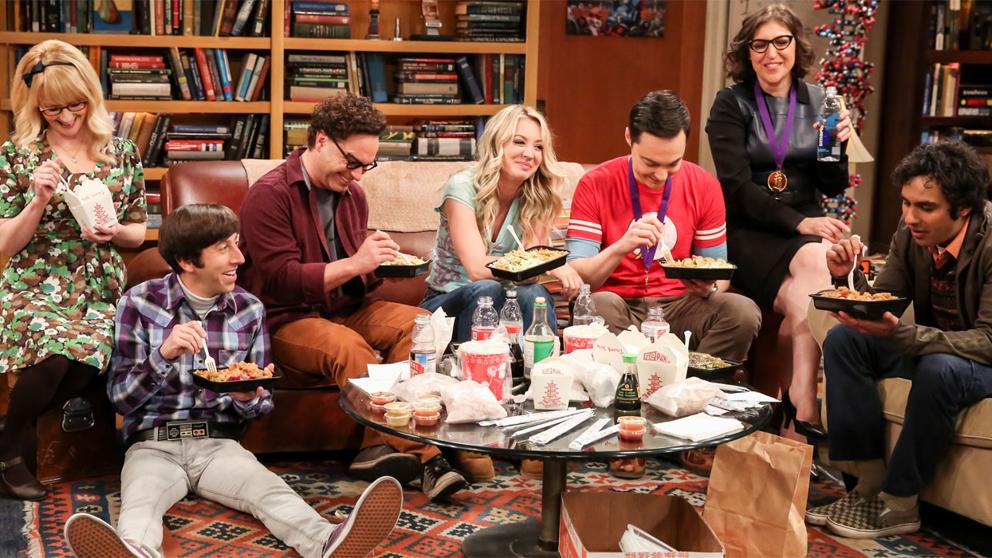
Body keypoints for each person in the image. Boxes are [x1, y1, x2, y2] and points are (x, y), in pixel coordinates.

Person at [61, 204, 403, 558]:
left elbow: (262, 402)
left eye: (236, 244)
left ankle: (327, 542)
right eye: (224, 248)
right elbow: (120, 398)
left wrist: (247, 397)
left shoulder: (249, 309)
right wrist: (162, 355)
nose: (239, 257)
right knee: (140, 506)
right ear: (187, 261)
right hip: (152, 444)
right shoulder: (139, 302)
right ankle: (134, 551)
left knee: (270, 491)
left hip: (219, 444)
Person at [237, 93, 483, 499]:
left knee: (422, 325)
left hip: (344, 307)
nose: (358, 175)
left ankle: (375, 446)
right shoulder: (270, 194)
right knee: (349, 347)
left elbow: (354, 275)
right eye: (351, 162)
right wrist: (356, 263)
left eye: (367, 165)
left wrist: (375, 264)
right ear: (320, 140)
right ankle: (427, 456)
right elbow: (281, 280)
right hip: (285, 317)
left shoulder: (354, 196)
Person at [566, 90, 761, 478]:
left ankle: (693, 426)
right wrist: (622, 245)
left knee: (741, 311)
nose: (660, 175)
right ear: (629, 138)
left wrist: (709, 288)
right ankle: (626, 432)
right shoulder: (596, 183)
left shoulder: (703, 184)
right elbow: (582, 275)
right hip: (620, 304)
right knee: (599, 305)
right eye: (649, 164)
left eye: (672, 165)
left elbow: (718, 274)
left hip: (679, 305)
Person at [810, 141, 992, 538]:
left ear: (964, 209)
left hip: (981, 363)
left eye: (925, 207)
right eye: (906, 203)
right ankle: (866, 485)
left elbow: (988, 341)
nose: (910, 217)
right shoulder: (912, 232)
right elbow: (883, 301)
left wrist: (906, 336)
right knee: (845, 340)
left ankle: (900, 501)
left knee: (940, 369)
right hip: (932, 350)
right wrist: (847, 277)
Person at [0, 40, 147, 501]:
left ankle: (13, 436)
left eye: (75, 105)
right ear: (35, 106)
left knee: (90, 358)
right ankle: (8, 455)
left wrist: (114, 231)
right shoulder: (18, 154)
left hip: (99, 281)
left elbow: (138, 232)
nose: (66, 118)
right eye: (53, 109)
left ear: (91, 96)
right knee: (57, 351)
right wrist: (37, 201)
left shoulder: (121, 151)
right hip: (35, 279)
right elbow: (5, 244)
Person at [705, 4, 853, 439]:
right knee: (816, 266)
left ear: (796, 45)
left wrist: (837, 146)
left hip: (806, 224)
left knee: (802, 300)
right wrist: (799, 224)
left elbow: (832, 184)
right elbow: (735, 187)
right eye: (760, 44)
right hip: (750, 229)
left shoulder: (822, 101)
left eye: (781, 42)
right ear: (747, 53)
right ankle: (803, 405)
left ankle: (792, 413)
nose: (771, 53)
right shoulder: (731, 103)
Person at [421, 104, 583, 342]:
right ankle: (476, 364)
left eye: (538, 146)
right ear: (497, 143)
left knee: (534, 294)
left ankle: (540, 364)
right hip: (448, 302)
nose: (529, 153)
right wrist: (542, 263)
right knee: (487, 290)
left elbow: (529, 276)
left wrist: (542, 264)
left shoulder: (538, 195)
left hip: (509, 299)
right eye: (519, 142)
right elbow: (477, 268)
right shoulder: (462, 186)